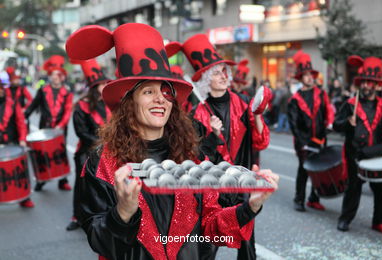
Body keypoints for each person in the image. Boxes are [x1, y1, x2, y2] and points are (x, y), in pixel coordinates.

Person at [65, 23, 279, 260]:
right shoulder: (101, 164)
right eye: (148, 91)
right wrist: (123, 212)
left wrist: (250, 207)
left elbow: (210, 230)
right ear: (128, 102)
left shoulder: (192, 157)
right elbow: (101, 242)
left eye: (166, 92)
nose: (160, 100)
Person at [174, 34, 270, 259]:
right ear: (206, 79)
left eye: (224, 71)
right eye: (216, 72)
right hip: (213, 191)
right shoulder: (196, 114)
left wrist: (257, 115)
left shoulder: (243, 103)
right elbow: (193, 158)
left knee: (247, 247)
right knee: (208, 246)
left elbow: (261, 142)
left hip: (241, 185)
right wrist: (211, 134)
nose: (224, 76)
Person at [334, 56, 382, 233]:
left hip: (376, 153)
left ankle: (379, 221)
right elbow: (336, 125)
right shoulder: (350, 104)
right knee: (353, 189)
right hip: (354, 154)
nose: (365, 85)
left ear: (376, 85)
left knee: (380, 189)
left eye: (370, 82)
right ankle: (345, 219)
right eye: (363, 82)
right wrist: (346, 123)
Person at [66, 58, 111, 231]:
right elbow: (81, 132)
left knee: (103, 186)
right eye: (103, 84)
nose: (106, 86)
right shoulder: (82, 106)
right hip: (87, 152)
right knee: (82, 185)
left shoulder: (109, 104)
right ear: (95, 87)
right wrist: (99, 143)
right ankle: (77, 216)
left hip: (108, 152)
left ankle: (100, 216)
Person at [287, 50, 334, 212]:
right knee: (304, 169)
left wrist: (329, 125)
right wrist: (302, 144)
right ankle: (298, 199)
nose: (309, 77)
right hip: (304, 142)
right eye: (305, 75)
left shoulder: (321, 94)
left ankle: (314, 199)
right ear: (300, 78)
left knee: (319, 170)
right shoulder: (294, 100)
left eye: (310, 74)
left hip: (320, 139)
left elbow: (328, 112)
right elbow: (294, 125)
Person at [25, 55, 74, 191]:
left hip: (60, 128)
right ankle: (42, 180)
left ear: (62, 76)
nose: (55, 77)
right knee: (43, 154)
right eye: (52, 75)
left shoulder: (67, 92)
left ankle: (62, 181)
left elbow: (68, 111)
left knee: (60, 154)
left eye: (57, 75)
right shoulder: (43, 90)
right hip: (45, 127)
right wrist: (24, 115)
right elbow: (34, 105)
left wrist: (60, 125)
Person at [0, 71, 34, 208]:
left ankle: (24, 197)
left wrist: (22, 139)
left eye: (1, 87)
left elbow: (21, 122)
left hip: (12, 141)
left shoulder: (12, 103)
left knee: (19, 171)